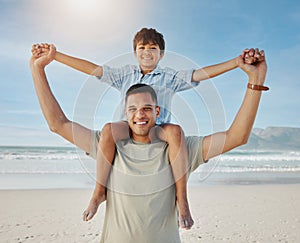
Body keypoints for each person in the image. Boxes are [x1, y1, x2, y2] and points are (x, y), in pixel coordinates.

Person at [31, 28, 262, 230]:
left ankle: (182, 200)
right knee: (109, 130)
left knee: (175, 132)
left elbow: (201, 74)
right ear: (134, 52)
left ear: (161, 54)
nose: (147, 52)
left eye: (153, 48)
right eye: (142, 47)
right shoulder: (124, 75)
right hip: (127, 129)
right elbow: (93, 70)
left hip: (157, 129)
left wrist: (235, 63)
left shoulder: (170, 77)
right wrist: (56, 56)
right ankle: (99, 192)